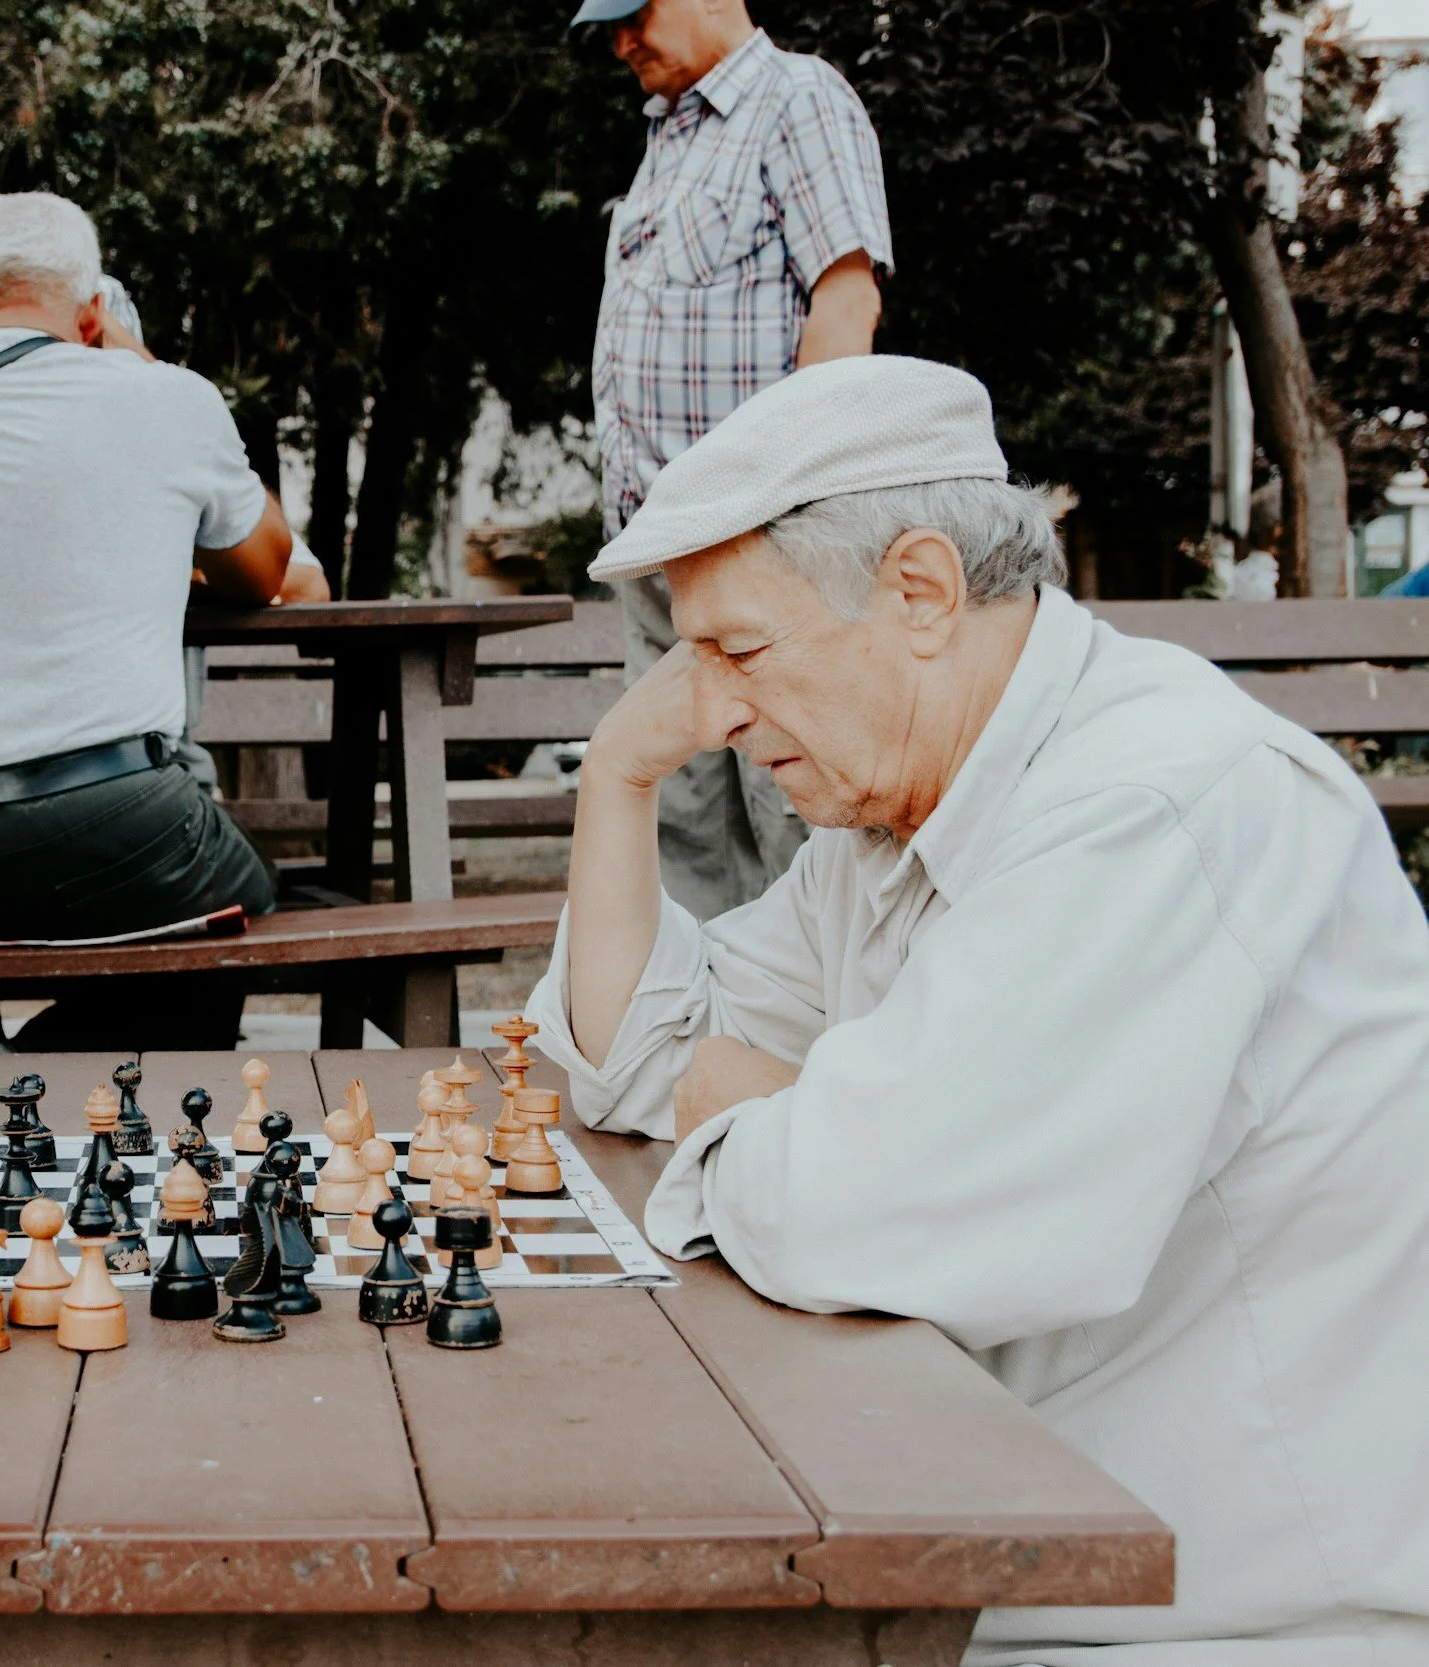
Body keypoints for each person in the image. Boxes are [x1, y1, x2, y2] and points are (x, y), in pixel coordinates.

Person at [527, 355, 1429, 1663]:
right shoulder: (895, 815)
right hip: (1003, 1541)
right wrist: (616, 773)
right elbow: (640, 1069)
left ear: (921, 592)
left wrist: (766, 1106)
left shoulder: (1152, 806)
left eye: (740, 648)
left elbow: (858, 1212)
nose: (712, 709)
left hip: (1225, 1610)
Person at [0, 191, 294, 1053]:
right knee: (239, 908)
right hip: (112, 825)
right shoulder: (167, 396)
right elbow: (262, 571)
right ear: (92, 314)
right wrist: (142, 362)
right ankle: (38, 1071)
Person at [570, 0, 891, 919]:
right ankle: (706, 1045)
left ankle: (815, 1050)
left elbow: (845, 303)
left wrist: (785, 509)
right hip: (654, 547)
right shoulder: (668, 136)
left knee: (791, 808)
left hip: (757, 539)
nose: (620, 40)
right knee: (681, 818)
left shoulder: (799, 100)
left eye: (635, 14)